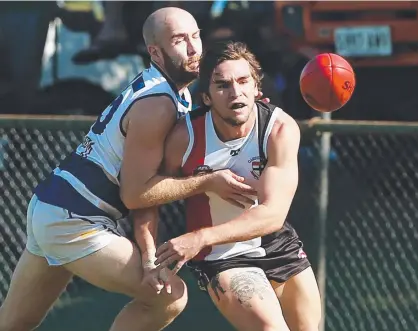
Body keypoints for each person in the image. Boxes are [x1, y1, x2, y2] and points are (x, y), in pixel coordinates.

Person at [0, 7, 260, 331]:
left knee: (12, 325)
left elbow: (145, 192)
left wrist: (149, 255)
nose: (194, 48)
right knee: (171, 295)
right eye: (180, 40)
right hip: (75, 220)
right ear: (155, 52)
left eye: (196, 37)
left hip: (49, 208)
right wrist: (209, 182)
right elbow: (138, 193)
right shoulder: (158, 104)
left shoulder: (173, 93)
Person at [133, 41, 322, 331]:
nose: (236, 92)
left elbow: (273, 215)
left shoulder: (279, 129)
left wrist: (198, 237)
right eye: (222, 86)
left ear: (257, 88)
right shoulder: (185, 137)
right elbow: (147, 195)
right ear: (207, 97)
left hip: (278, 245)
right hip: (223, 257)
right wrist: (149, 260)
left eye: (243, 81)